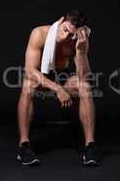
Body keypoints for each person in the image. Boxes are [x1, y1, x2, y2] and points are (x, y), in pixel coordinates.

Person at [17, 10, 101, 166]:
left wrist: (81, 51)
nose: (66, 37)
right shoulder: (39, 33)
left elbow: (85, 77)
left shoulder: (78, 41)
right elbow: (29, 71)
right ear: (61, 20)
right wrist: (58, 89)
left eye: (72, 35)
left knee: (85, 86)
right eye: (65, 30)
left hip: (64, 77)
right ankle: (24, 146)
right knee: (28, 84)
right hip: (43, 77)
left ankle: (90, 146)